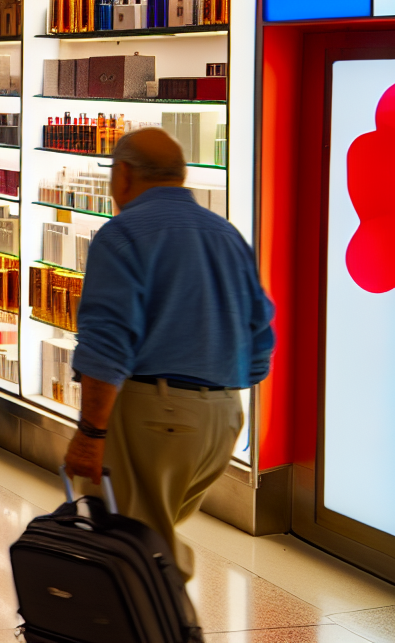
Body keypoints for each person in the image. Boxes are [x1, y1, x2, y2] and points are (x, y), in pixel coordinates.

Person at [62, 128, 274, 581]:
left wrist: (90, 433)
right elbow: (260, 332)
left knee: (140, 557)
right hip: (223, 419)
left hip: (156, 416)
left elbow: (107, 344)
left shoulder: (122, 235)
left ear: (123, 175)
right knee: (147, 539)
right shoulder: (227, 234)